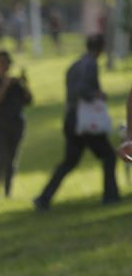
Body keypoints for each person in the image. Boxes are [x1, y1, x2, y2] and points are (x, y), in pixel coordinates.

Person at [34, 34, 119, 210]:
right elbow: (83, 90)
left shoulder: (75, 64)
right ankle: (110, 196)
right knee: (109, 156)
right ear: (101, 48)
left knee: (69, 161)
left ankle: (44, 198)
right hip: (85, 121)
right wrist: (97, 94)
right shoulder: (91, 64)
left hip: (71, 118)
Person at [0, 51, 33, 197]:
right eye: (1, 62)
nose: (4, 65)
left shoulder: (16, 83)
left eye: (6, 62)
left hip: (16, 123)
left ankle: (7, 191)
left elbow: (29, 100)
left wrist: (25, 84)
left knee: (11, 159)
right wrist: (5, 84)